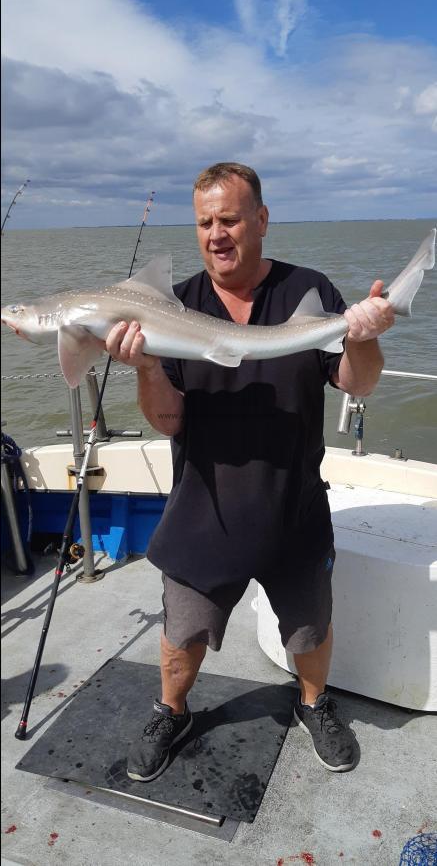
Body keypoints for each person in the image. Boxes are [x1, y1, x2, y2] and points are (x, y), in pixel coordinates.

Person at [105, 163, 395, 782]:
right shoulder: (174, 304)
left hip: (294, 505)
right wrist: (145, 366)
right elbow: (168, 422)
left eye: (230, 219)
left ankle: (314, 706)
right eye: (205, 222)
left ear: (261, 220)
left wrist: (364, 337)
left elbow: (355, 380)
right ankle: (171, 711)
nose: (216, 234)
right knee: (181, 634)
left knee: (311, 628)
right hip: (203, 510)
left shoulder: (307, 290)